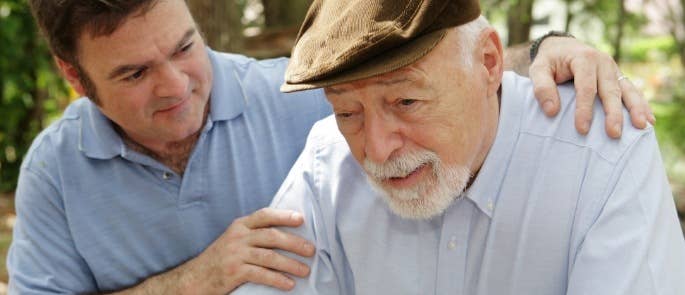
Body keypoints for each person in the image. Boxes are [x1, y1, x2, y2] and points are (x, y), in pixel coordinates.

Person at [9, 0, 654, 293]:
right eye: (133, 74)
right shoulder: (54, 175)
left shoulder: (297, 106)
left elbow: (436, 65)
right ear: (75, 76)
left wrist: (549, 50)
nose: (177, 85)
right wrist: (190, 283)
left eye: (184, 47)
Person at [233, 0, 685, 294]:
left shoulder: (601, 156)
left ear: (488, 63)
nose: (376, 149)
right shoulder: (325, 165)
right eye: (347, 113)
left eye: (406, 101)